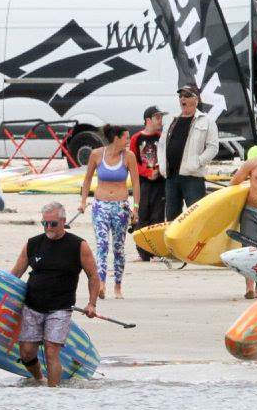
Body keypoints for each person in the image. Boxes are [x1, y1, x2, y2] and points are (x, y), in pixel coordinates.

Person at [10, 202, 101, 387]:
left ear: (63, 221)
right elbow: (14, 275)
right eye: (45, 224)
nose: (48, 228)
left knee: (52, 351)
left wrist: (92, 304)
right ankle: (39, 379)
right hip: (32, 306)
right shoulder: (33, 244)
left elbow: (93, 276)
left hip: (60, 308)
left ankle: (54, 393)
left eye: (53, 224)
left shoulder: (78, 245)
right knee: (27, 353)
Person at [79, 125, 139, 299]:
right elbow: (88, 178)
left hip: (120, 206)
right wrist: (83, 202)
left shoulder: (129, 157)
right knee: (102, 245)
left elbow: (135, 183)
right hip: (100, 206)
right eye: (126, 138)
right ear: (116, 138)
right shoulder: (97, 154)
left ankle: (118, 286)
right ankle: (102, 283)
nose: (128, 141)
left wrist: (135, 208)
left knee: (118, 248)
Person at [157, 85, 219, 221]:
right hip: (171, 177)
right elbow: (161, 145)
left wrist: (197, 162)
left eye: (186, 95)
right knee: (172, 217)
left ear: (195, 99)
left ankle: (195, 243)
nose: (182, 99)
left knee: (196, 217)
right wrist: (161, 165)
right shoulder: (172, 120)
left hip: (192, 177)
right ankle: (173, 243)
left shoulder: (207, 121)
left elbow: (213, 147)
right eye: (180, 96)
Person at [131, 106, 165, 260]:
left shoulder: (162, 137)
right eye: (157, 117)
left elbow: (165, 157)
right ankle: (143, 252)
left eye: (161, 117)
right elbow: (132, 162)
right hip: (143, 183)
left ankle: (156, 251)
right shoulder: (136, 138)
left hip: (160, 182)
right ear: (148, 120)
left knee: (158, 216)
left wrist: (159, 170)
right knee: (142, 215)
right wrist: (146, 172)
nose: (160, 121)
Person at [229, 158, 257, 299]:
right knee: (248, 249)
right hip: (251, 210)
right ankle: (249, 287)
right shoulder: (253, 163)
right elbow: (234, 183)